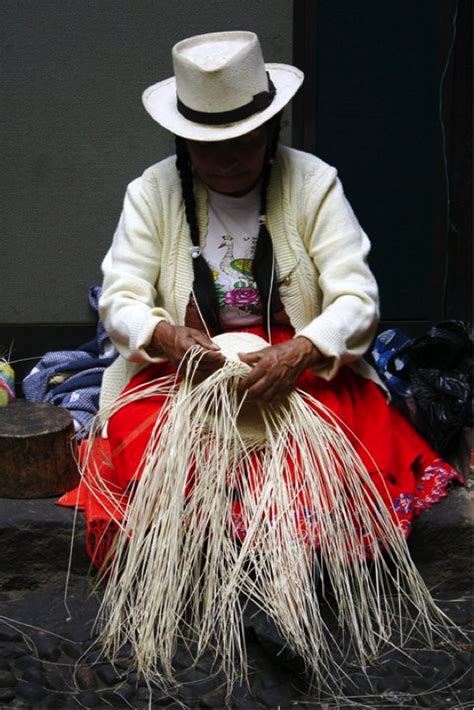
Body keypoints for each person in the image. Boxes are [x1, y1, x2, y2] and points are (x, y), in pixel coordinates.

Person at [63, 31, 462, 694]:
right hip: (186, 382)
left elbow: (357, 298)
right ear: (184, 140)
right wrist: (163, 336)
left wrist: (301, 349)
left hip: (299, 379)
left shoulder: (314, 184)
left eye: (246, 141)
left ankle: (291, 600)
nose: (229, 160)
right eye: (210, 148)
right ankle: (237, 605)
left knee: (327, 464)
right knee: (152, 460)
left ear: (272, 127)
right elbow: (122, 297)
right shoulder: (152, 194)